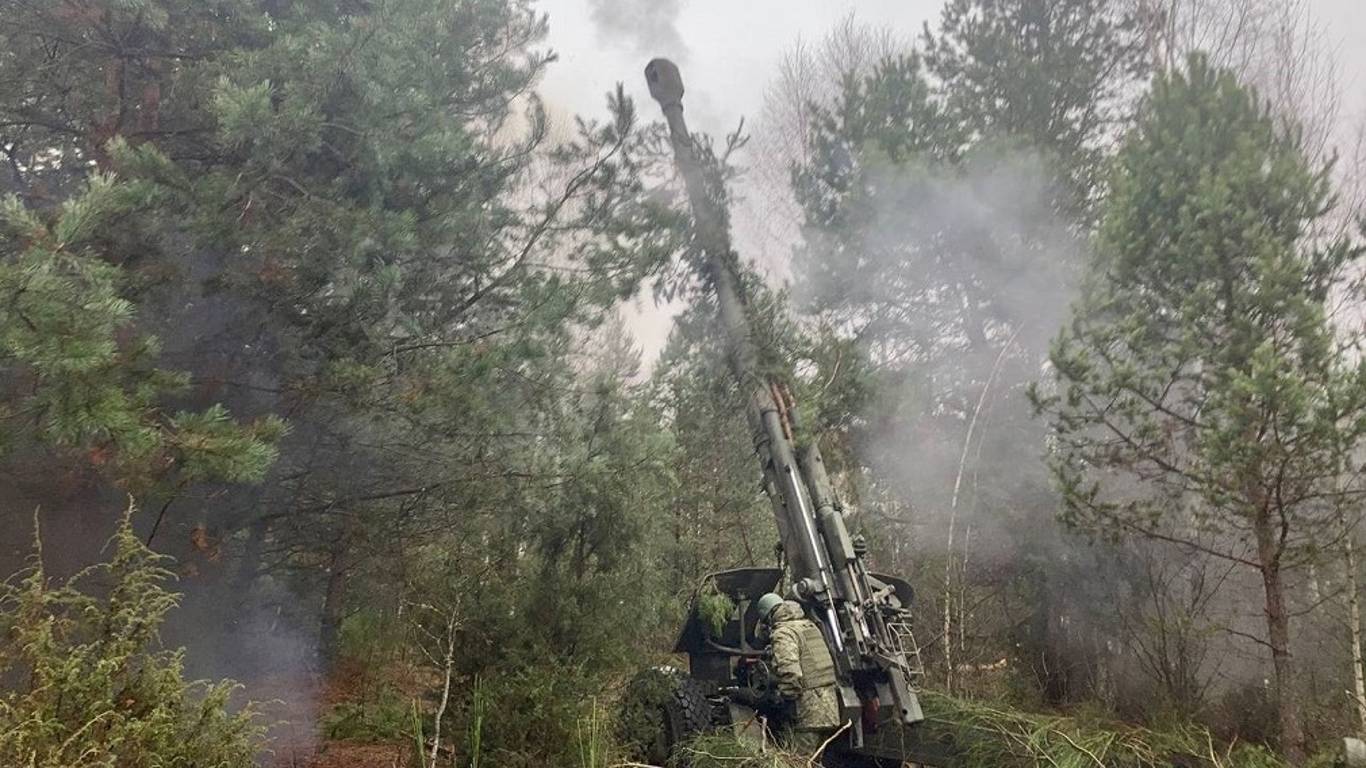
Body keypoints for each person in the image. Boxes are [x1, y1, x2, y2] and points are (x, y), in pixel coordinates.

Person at [754, 592, 842, 754]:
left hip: (808, 712)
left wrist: (783, 700)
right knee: (814, 761)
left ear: (768, 617)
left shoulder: (784, 633)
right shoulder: (808, 626)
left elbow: (791, 673)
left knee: (797, 761)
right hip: (829, 708)